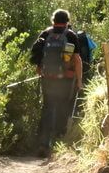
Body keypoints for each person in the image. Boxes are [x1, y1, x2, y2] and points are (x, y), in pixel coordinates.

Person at [30, 9, 82, 154]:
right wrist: (79, 80)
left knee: (48, 108)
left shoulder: (46, 34)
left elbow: (37, 58)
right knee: (62, 108)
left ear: (53, 20)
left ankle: (44, 144)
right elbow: (77, 60)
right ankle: (59, 142)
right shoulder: (70, 35)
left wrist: (42, 71)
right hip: (65, 80)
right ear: (67, 21)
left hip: (48, 79)